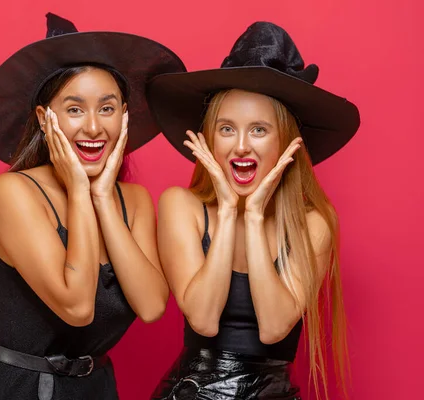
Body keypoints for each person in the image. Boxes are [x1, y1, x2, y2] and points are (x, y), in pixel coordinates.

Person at [0, 13, 185, 400]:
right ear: (44, 118)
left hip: (98, 387)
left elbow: (153, 306)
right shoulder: (14, 192)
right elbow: (77, 307)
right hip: (23, 388)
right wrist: (76, 190)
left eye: (106, 108)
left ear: (124, 116)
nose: (92, 128)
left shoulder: (132, 200)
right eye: (74, 109)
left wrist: (101, 196)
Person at [147, 21, 360, 400]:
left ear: (286, 143)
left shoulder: (315, 224)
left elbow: (275, 327)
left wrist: (256, 214)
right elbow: (203, 318)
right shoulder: (182, 205)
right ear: (209, 139)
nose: (241, 146)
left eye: (259, 130)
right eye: (227, 129)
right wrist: (229, 211)